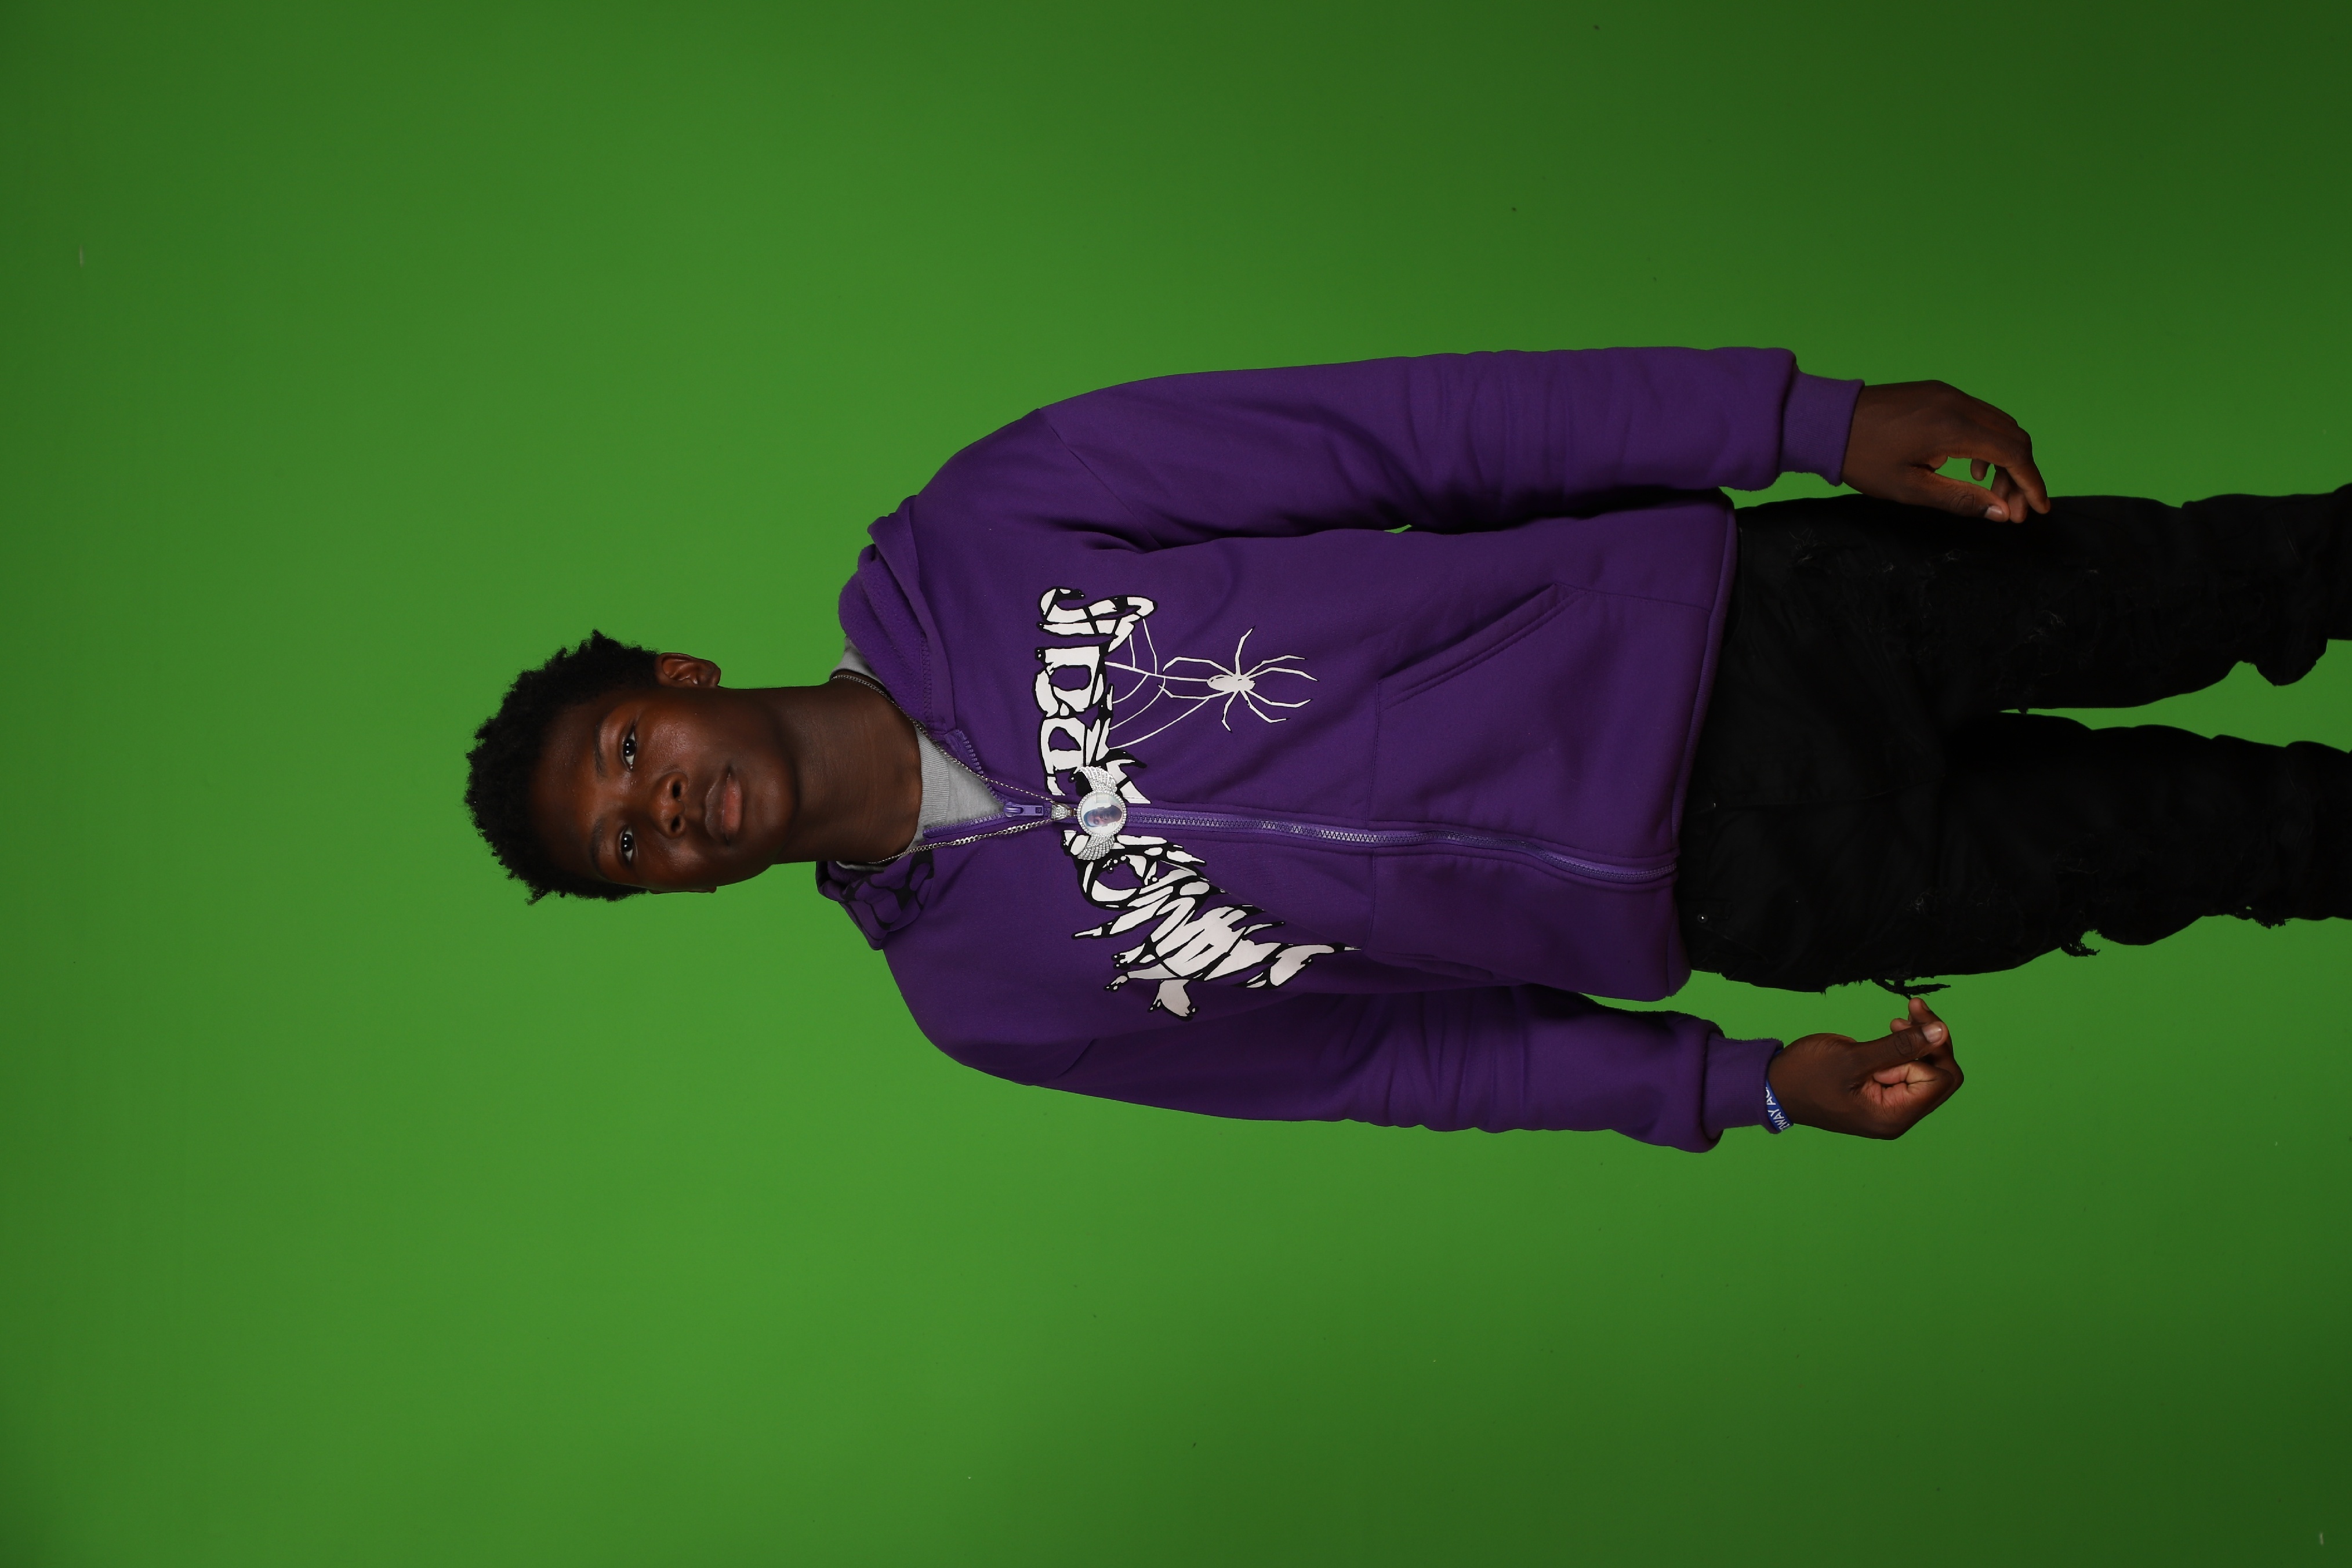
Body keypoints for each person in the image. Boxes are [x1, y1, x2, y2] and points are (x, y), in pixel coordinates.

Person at [463, 350, 2350, 1150]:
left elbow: (1398, 431)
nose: (661, 805)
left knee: (2265, 576)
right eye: (626, 842)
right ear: (669, 890)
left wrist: (1800, 416)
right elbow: (1393, 1060)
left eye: (629, 747)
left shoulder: (985, 528)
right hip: (1764, 889)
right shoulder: (987, 1002)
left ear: (679, 674)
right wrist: (1739, 1090)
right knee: (2257, 845)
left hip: (1753, 624)